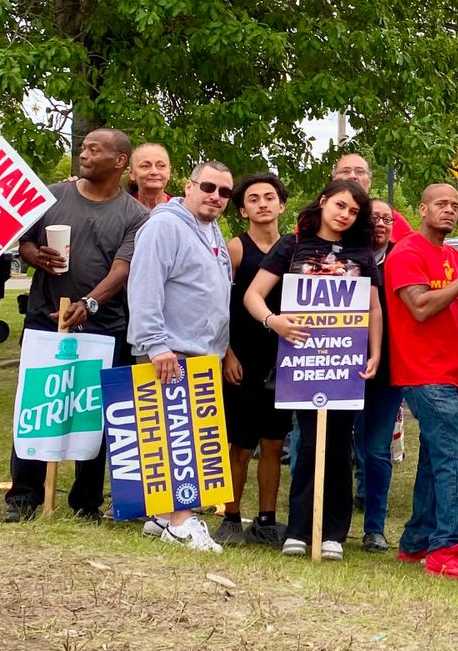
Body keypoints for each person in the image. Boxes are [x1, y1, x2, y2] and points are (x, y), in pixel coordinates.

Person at [4, 128, 149, 522]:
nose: (83, 155)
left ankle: (85, 502)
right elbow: (25, 242)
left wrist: (90, 302)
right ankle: (24, 498)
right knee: (36, 405)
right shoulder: (52, 195)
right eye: (83, 148)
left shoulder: (135, 215)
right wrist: (35, 255)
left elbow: (123, 268)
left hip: (104, 327)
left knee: (94, 411)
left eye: (94, 150)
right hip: (44, 318)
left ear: (119, 162)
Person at [242, 178, 383, 560]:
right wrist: (274, 321)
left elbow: (373, 308)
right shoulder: (292, 246)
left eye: (354, 211)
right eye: (340, 206)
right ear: (322, 202)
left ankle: (333, 532)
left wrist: (375, 352)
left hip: (344, 361)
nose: (345, 215)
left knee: (339, 443)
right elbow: (252, 295)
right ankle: (300, 528)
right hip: (301, 361)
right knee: (307, 442)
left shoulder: (362, 253)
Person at [386, 183, 458, 579]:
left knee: (436, 459)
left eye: (455, 205)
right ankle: (447, 550)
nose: (449, 210)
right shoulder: (407, 252)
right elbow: (418, 306)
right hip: (421, 371)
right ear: (423, 208)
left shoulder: (451, 254)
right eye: (441, 204)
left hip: (449, 371)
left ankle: (417, 543)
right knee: (456, 453)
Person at [128, 161, 236, 553]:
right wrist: (156, 344)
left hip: (202, 352)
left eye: (225, 192)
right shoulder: (165, 225)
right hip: (171, 350)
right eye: (209, 187)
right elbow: (144, 285)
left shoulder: (211, 228)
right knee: (179, 440)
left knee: (179, 437)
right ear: (188, 186)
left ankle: (162, 515)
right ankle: (182, 521)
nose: (216, 197)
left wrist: (221, 351)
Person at [221, 172, 291, 546]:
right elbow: (220, 305)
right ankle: (231, 517)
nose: (262, 203)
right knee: (241, 444)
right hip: (242, 357)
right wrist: (226, 352)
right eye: (253, 199)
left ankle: (266, 519)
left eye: (269, 197)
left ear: (282, 205)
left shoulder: (295, 250)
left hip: (282, 360)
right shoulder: (236, 248)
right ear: (243, 209)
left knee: (274, 443)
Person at [354, 198, 404, 552]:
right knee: (337, 446)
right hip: (338, 366)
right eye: (375, 218)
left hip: (388, 370)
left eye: (388, 218)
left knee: (376, 448)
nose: (382, 224)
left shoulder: (403, 260)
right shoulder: (344, 257)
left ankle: (375, 527)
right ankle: (328, 524)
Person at [333, 153, 412, 242]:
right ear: (333, 178)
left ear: (369, 181)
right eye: (345, 171)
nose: (353, 176)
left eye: (360, 171)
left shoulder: (390, 218)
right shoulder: (319, 216)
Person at [128, 143, 173, 210]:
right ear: (131, 173)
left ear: (169, 171)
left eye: (161, 166)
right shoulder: (121, 208)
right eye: (145, 166)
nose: (154, 172)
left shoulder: (181, 211)